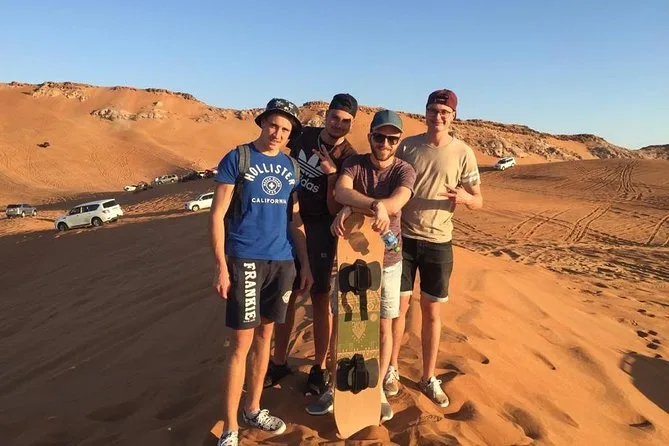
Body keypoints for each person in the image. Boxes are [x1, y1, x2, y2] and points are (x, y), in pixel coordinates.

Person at [210, 98, 314, 446]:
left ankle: (253, 408)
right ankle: (230, 428)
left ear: (290, 135)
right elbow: (217, 215)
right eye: (273, 125)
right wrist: (221, 266)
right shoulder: (237, 158)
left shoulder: (292, 168)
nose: (277, 133)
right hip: (245, 259)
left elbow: (294, 220)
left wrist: (305, 263)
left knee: (265, 338)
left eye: (285, 129)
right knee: (240, 344)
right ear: (263, 123)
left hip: (281, 262)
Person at [307, 109, 416, 422]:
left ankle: (377, 388)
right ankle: (334, 387)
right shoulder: (354, 164)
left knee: (383, 325)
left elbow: (398, 202)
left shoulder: (405, 170)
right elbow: (341, 190)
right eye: (379, 137)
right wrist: (371, 205)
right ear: (370, 137)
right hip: (351, 259)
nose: (385, 143)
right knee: (344, 323)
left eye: (392, 139)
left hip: (388, 261)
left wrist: (354, 208)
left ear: (399, 141)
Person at [389, 89, 483, 407]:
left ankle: (428, 377)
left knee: (431, 312)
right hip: (403, 240)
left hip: (439, 243)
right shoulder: (407, 146)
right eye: (433, 110)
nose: (438, 116)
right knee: (398, 308)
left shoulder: (463, 152)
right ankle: (390, 369)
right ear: (426, 112)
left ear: (453, 116)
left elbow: (478, 200)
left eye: (445, 112)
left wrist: (466, 198)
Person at [265, 94, 358, 396]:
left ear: (352, 124)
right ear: (326, 115)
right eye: (335, 117)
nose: (338, 124)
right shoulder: (304, 135)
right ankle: (279, 361)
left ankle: (318, 368)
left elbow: (334, 208)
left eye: (346, 121)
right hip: (287, 221)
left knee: (319, 296)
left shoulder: (349, 158)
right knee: (286, 294)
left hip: (321, 228)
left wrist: (331, 175)